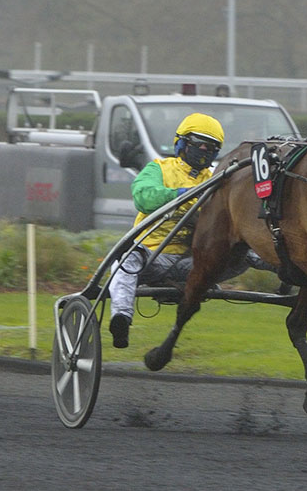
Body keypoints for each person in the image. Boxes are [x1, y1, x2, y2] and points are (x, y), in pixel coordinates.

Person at [106, 112, 269, 348]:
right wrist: (179, 195)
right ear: (182, 143)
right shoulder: (158, 168)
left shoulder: (218, 179)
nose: (204, 149)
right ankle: (121, 317)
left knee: (245, 250)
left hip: (198, 265)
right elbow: (143, 197)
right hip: (153, 256)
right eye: (199, 143)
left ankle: (291, 268)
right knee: (125, 259)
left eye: (211, 147)